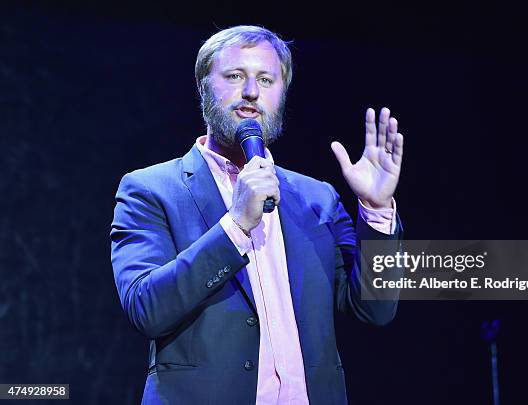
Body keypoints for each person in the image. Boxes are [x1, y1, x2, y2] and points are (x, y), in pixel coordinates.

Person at [110, 25, 404, 405]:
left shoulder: (318, 198)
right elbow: (146, 309)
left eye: (266, 79)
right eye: (235, 76)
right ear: (203, 87)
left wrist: (377, 211)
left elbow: (375, 310)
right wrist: (235, 225)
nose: (251, 92)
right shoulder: (151, 189)